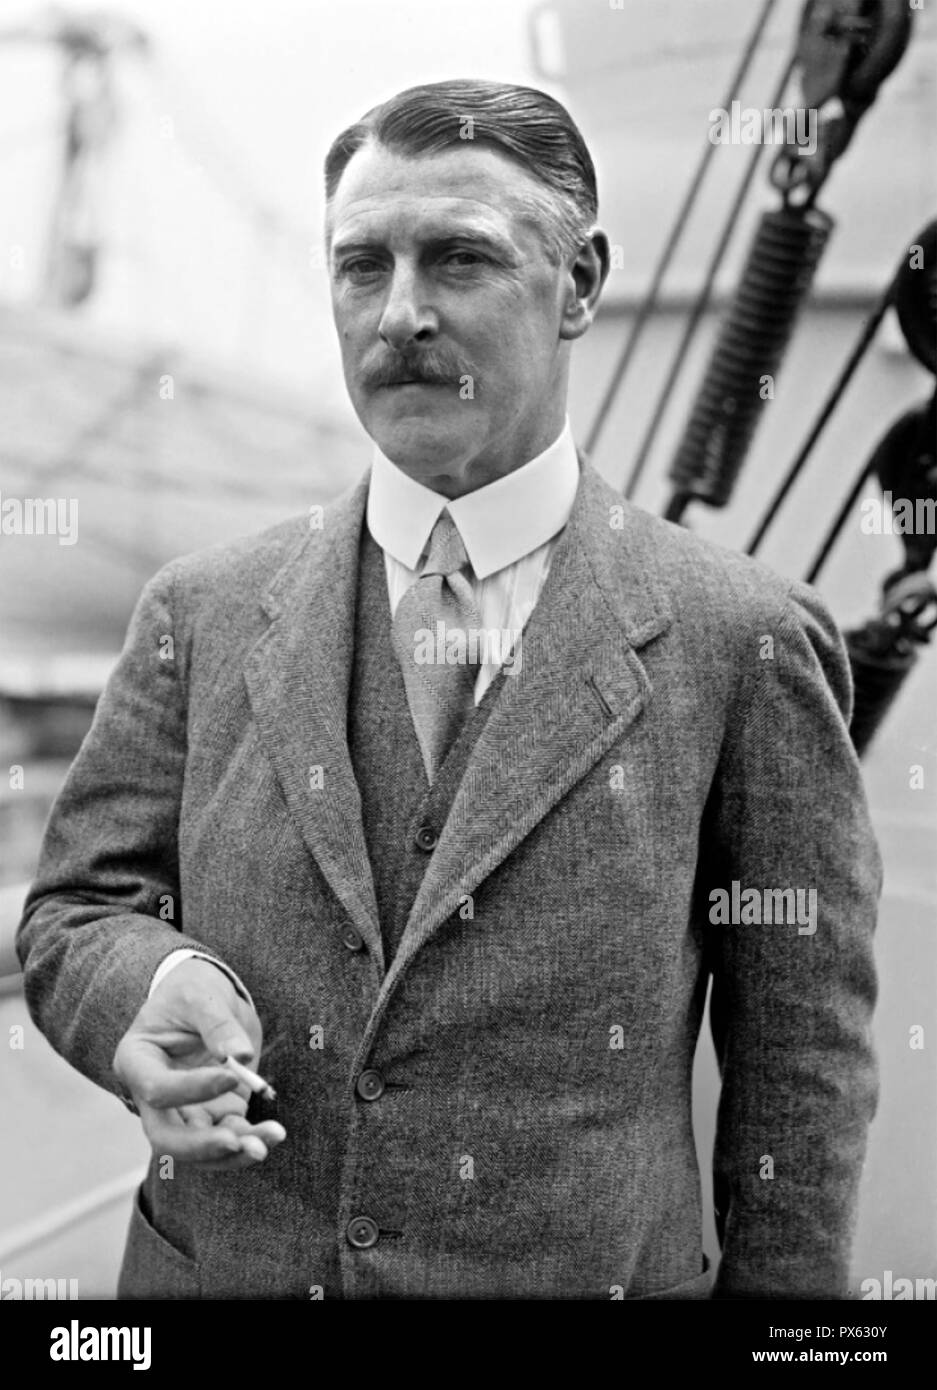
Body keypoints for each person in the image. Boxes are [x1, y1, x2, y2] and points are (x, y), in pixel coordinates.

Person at [17, 79, 880, 1300]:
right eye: (360, 266)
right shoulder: (197, 613)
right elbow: (73, 910)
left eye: (458, 259)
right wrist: (153, 986)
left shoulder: (741, 640)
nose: (400, 314)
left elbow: (800, 1061)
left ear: (579, 283)